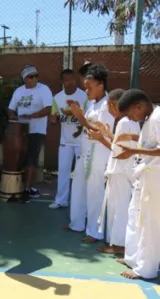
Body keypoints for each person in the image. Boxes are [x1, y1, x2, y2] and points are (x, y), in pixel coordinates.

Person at [63, 63, 115, 243]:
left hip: (98, 152)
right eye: (85, 87)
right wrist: (80, 113)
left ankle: (94, 231)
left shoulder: (107, 106)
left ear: (101, 85)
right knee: (78, 186)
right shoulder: (93, 103)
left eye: (89, 87)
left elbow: (98, 132)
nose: (86, 91)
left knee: (94, 191)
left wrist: (80, 118)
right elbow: (87, 126)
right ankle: (76, 223)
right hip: (85, 149)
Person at [113, 89, 160, 280]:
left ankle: (146, 269)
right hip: (145, 177)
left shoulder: (157, 118)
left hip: (155, 179)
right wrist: (134, 152)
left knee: (150, 224)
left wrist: (133, 150)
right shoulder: (150, 118)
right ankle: (134, 258)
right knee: (135, 218)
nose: (132, 119)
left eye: (131, 114)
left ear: (138, 106)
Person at [87, 89, 139, 254]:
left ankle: (119, 245)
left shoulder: (124, 122)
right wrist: (108, 133)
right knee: (119, 207)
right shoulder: (130, 120)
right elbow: (122, 143)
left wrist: (100, 138)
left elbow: (117, 151)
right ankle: (115, 242)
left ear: (112, 105)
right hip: (124, 171)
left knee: (119, 209)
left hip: (121, 172)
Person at [7, 65, 53, 202]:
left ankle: (28, 188)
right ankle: (15, 187)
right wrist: (13, 116)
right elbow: (10, 109)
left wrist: (31, 116)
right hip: (20, 131)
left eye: (36, 76)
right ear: (24, 79)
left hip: (36, 130)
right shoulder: (18, 91)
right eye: (31, 76)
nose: (35, 79)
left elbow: (48, 109)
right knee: (19, 159)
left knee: (31, 159)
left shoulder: (43, 89)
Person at [48, 69, 87, 209]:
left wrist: (74, 112)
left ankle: (80, 202)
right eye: (66, 80)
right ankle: (60, 200)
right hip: (65, 141)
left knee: (80, 174)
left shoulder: (84, 96)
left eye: (72, 80)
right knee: (63, 172)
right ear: (62, 82)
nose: (69, 83)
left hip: (81, 142)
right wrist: (54, 118)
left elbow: (88, 117)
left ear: (75, 80)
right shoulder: (57, 98)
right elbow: (53, 117)